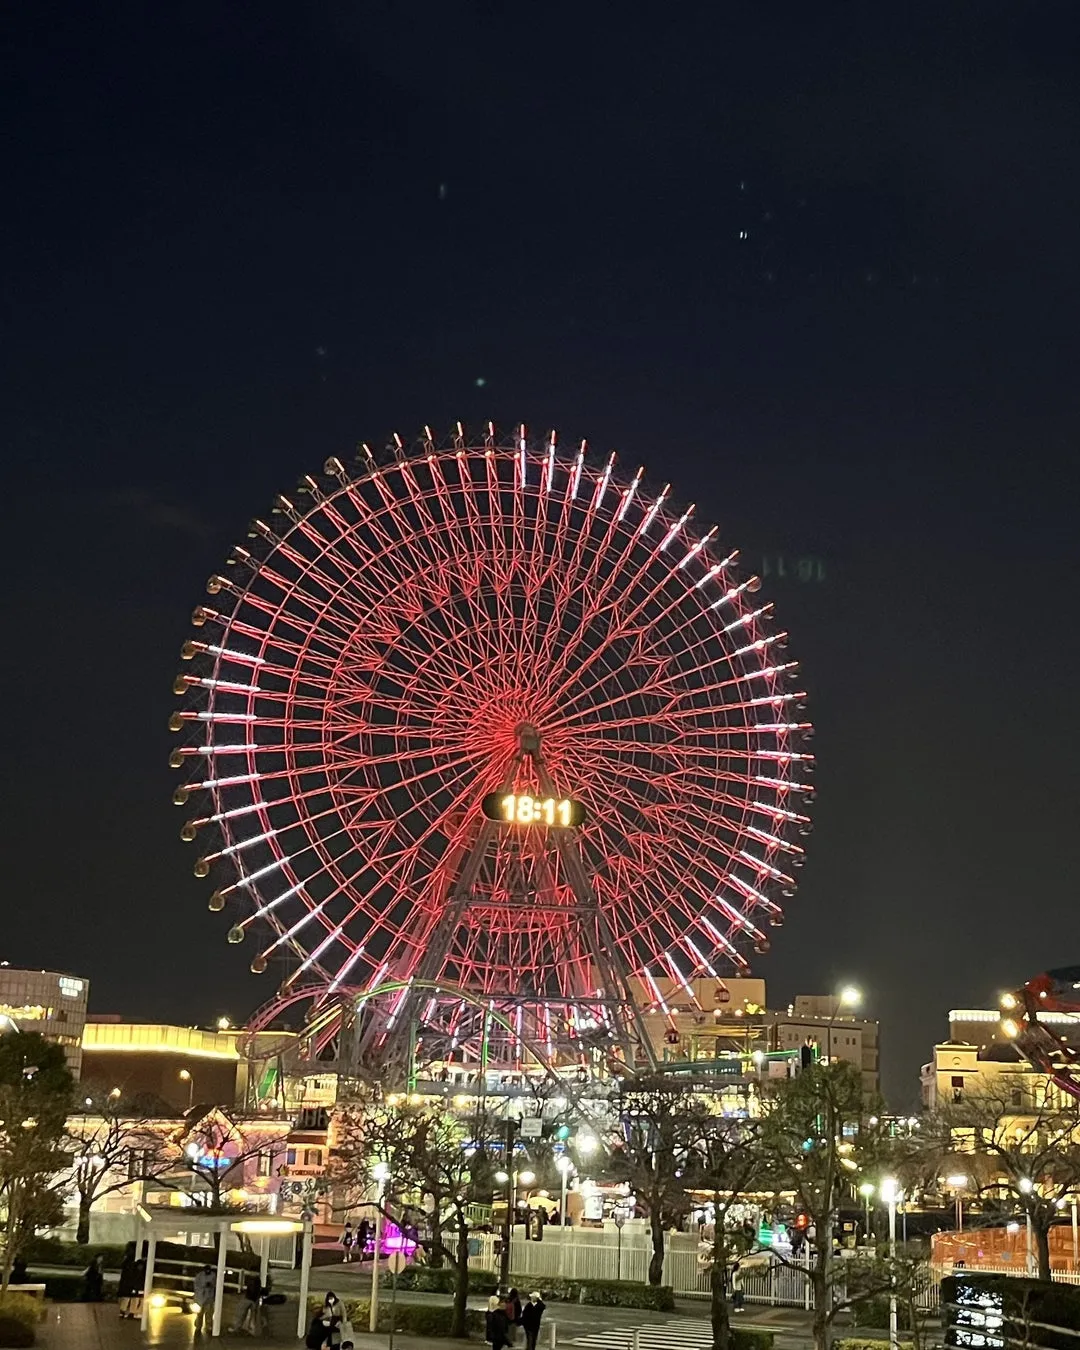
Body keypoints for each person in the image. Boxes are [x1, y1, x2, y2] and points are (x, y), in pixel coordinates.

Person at [117, 1243, 141, 1319]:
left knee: (127, 1296)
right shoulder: (133, 1260)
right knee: (134, 1296)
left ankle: (123, 1311)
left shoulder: (126, 1260)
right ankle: (132, 1311)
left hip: (126, 1281)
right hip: (132, 1281)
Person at [192, 1265, 215, 1335]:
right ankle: (198, 1326)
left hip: (209, 1297)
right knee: (199, 1313)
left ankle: (209, 1326)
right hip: (200, 1297)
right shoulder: (199, 1275)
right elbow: (196, 1286)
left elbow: (215, 1284)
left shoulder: (213, 1275)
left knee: (209, 1313)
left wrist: (210, 1285)